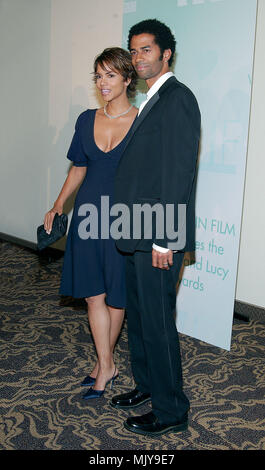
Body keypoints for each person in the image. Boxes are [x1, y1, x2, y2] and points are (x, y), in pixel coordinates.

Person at [110, 19, 201, 436]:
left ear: (166, 53)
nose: (138, 57)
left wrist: (165, 238)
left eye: (146, 49)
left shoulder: (178, 99)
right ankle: (147, 386)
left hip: (156, 237)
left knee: (158, 322)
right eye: (134, 50)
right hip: (135, 232)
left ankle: (171, 409)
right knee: (142, 318)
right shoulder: (150, 100)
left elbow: (177, 173)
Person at [44, 48, 138, 399]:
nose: (102, 83)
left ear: (128, 79)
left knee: (116, 298)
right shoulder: (86, 119)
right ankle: (106, 363)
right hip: (87, 217)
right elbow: (79, 167)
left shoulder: (142, 121)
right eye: (98, 76)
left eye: (110, 75)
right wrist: (57, 204)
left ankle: (104, 365)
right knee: (93, 295)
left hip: (122, 220)